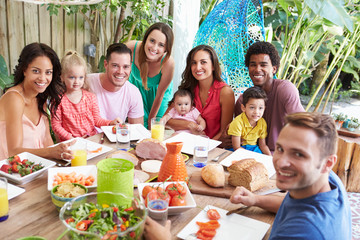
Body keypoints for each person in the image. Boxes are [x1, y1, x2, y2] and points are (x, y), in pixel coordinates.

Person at [230, 112, 351, 239]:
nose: (281, 162)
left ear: (328, 163)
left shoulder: (301, 232)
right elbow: (295, 204)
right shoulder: (329, 179)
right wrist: (255, 199)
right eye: (280, 149)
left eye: (298, 154)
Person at [0, 43, 74, 160]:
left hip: (36, 167)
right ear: (25, 70)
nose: (43, 78)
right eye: (36, 71)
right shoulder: (14, 98)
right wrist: (50, 152)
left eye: (48, 72)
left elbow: (46, 139)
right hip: (10, 173)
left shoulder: (40, 97)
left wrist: (59, 155)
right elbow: (13, 152)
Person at [234, 41, 304, 152]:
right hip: (254, 156)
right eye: (253, 65)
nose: (257, 69)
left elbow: (302, 126)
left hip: (284, 156)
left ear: (274, 69)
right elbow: (240, 137)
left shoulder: (285, 90)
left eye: (263, 65)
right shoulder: (242, 101)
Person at [166, 45, 235, 142]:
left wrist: (204, 147)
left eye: (203, 62)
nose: (198, 67)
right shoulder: (188, 88)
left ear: (213, 66)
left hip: (213, 146)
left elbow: (224, 132)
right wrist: (190, 125)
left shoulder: (225, 92)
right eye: (194, 63)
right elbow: (167, 121)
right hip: (186, 144)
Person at [51, 51, 121, 141]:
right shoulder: (58, 100)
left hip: (91, 140)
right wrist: (72, 138)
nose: (77, 82)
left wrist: (110, 122)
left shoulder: (90, 97)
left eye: (81, 77)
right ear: (62, 77)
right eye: (72, 77)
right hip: (70, 143)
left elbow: (97, 120)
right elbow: (56, 125)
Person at [126, 22, 175, 129]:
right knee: (138, 128)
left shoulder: (168, 63)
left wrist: (150, 123)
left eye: (161, 45)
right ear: (145, 39)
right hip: (138, 90)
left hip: (159, 95)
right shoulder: (131, 48)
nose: (154, 48)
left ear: (166, 49)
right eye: (152, 41)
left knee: (156, 126)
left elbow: (160, 95)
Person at [87, 43, 144, 126]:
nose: (120, 72)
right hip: (88, 137)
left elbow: (138, 130)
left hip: (116, 137)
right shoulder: (86, 83)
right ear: (106, 64)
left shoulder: (133, 92)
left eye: (126, 67)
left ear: (130, 67)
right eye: (115, 66)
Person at [228, 86, 271, 155]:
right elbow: (236, 147)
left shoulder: (262, 123)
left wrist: (270, 158)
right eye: (252, 107)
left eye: (260, 108)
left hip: (254, 149)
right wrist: (251, 156)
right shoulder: (237, 122)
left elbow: (263, 145)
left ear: (264, 109)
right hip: (239, 149)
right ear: (243, 108)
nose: (256, 112)